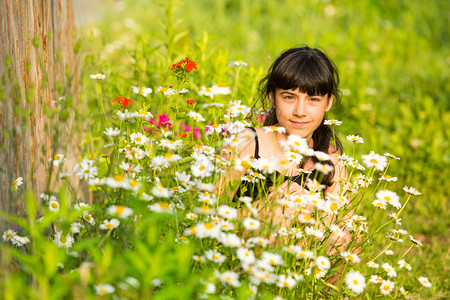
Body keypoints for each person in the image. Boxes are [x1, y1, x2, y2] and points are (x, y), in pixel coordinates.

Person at [216, 45, 352, 251]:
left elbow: (346, 227)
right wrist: (263, 210)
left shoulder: (330, 160)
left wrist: (313, 210)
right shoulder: (248, 143)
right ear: (272, 97)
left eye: (313, 100)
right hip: (237, 254)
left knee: (341, 237)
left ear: (328, 102)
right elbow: (208, 214)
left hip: (298, 262)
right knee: (285, 207)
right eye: (289, 97)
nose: (300, 111)